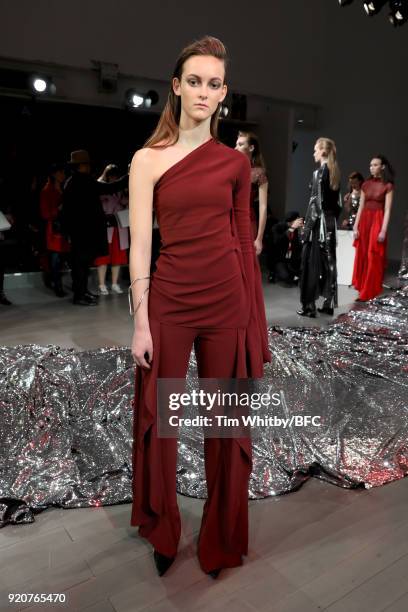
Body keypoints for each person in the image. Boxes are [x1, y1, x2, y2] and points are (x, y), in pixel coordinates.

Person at [129, 36, 270, 579]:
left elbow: (242, 244)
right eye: (194, 81)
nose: (203, 92)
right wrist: (140, 321)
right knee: (162, 426)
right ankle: (164, 530)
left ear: (224, 93)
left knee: (225, 425)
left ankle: (221, 539)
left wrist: (253, 322)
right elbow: (141, 247)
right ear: (176, 85)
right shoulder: (148, 159)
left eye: (214, 84)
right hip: (168, 303)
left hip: (228, 304)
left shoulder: (235, 165)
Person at [61, 150, 127, 306]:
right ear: (81, 166)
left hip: (80, 231)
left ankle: (83, 292)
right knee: (80, 265)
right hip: (83, 231)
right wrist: (128, 178)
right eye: (87, 164)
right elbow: (109, 188)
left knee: (82, 264)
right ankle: (80, 296)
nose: (89, 167)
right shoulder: (82, 181)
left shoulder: (73, 181)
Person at [298, 137, 341, 318]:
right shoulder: (335, 173)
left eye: (315, 149)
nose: (313, 153)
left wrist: (306, 229)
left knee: (310, 264)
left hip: (318, 226)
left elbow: (315, 205)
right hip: (331, 223)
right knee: (329, 263)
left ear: (323, 152)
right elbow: (337, 205)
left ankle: (309, 307)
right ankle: (329, 303)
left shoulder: (319, 173)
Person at [352, 155, 395, 301]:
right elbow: (360, 207)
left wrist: (383, 230)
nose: (372, 167)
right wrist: (355, 225)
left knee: (373, 255)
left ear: (382, 166)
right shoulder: (365, 184)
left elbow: (388, 209)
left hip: (377, 220)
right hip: (364, 221)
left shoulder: (387, 185)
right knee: (363, 254)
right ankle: (363, 288)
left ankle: (368, 291)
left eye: (375, 165)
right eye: (371, 165)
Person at [94, 163, 129, 295]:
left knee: (118, 257)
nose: (114, 179)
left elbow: (125, 203)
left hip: (119, 225)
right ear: (107, 175)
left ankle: (114, 283)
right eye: (112, 176)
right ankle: (102, 284)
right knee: (103, 257)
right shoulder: (99, 185)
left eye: (116, 176)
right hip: (105, 226)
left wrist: (126, 194)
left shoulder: (119, 187)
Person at [40, 163, 70, 297]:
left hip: (65, 228)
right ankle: (57, 286)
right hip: (54, 230)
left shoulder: (64, 188)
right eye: (61, 172)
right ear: (54, 174)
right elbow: (45, 214)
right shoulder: (47, 190)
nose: (63, 175)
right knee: (56, 259)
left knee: (62, 259)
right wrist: (58, 209)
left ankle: (56, 283)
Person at [235, 131, 268, 255]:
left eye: (240, 144)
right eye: (236, 144)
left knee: (245, 263)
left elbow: (263, 206)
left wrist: (259, 238)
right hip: (228, 222)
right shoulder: (232, 170)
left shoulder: (258, 173)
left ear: (251, 148)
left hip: (247, 223)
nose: (235, 148)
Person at [269, 211, 303, 284]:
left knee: (297, 277)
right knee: (286, 277)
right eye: (297, 220)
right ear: (291, 221)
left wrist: (302, 232)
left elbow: (298, 246)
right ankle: (274, 272)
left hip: (290, 258)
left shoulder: (296, 230)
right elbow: (277, 242)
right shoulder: (277, 227)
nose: (298, 223)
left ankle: (293, 274)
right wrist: (291, 229)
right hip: (279, 258)